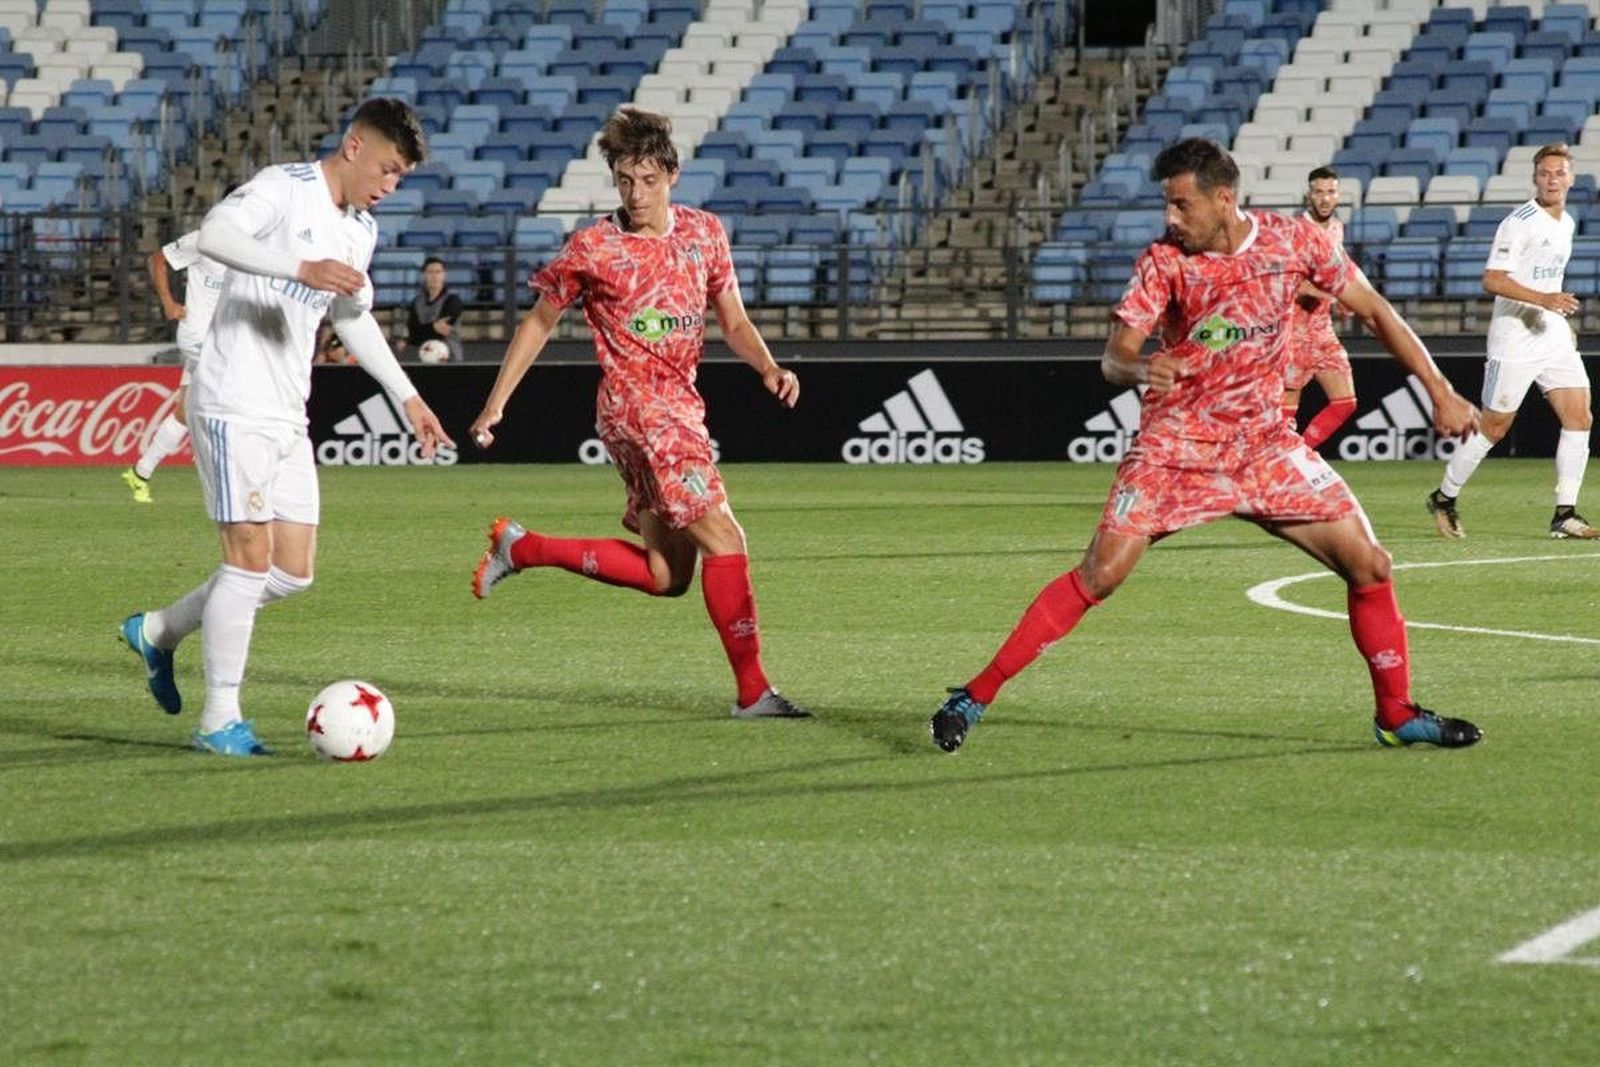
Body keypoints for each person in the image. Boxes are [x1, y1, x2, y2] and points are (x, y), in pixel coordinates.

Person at [929, 138, 1483, 755]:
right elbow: (1115, 357)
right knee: (1101, 574)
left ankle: (1397, 714)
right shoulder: (1163, 262)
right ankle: (971, 697)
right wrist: (1143, 370)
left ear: (1224, 199)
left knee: (1371, 566)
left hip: (1264, 443)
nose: (1171, 218)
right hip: (1177, 446)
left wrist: (1439, 388)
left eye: (1181, 205)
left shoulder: (1294, 243)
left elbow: (1376, 310)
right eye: (1167, 205)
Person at [118, 98, 452, 756]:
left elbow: (352, 315)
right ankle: (219, 719)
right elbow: (214, 234)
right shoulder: (283, 188)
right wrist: (300, 267)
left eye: (400, 178)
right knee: (246, 564)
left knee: (292, 571)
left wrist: (407, 394)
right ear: (354, 146)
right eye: (386, 169)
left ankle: (157, 629)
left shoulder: (359, 231)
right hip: (231, 400)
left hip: (285, 413)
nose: (389, 186)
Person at [467, 106, 809, 720]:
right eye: (625, 181)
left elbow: (732, 320)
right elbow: (540, 321)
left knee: (666, 575)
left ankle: (523, 548)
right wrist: (496, 403)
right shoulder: (594, 246)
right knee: (726, 539)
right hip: (641, 413)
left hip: (680, 409)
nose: (635, 194)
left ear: (672, 175)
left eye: (647, 180)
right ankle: (754, 693)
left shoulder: (704, 234)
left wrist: (769, 367)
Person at [1427, 142, 1597, 540]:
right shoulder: (1519, 221)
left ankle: (1565, 514)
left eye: (1559, 173)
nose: (1552, 179)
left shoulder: (1567, 222)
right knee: (1495, 427)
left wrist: (1556, 315)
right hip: (1514, 338)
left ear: (1571, 179)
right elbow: (1493, 279)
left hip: (1551, 334)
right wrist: (1545, 300)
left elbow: (1546, 279)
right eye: (1545, 173)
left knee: (1579, 417)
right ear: (1535, 179)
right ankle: (1445, 495)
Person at [121, 185, 238, 504]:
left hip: (220, 335)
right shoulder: (204, 239)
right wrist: (169, 304)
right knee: (232, 393)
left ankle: (140, 472)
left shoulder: (247, 248)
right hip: (199, 335)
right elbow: (157, 259)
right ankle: (217, 467)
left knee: (185, 410)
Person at [1282, 166, 1359, 451]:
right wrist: (1332, 294)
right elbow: (1290, 282)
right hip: (1294, 334)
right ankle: (1284, 468)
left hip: (1323, 333)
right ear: (1308, 195)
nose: (1325, 199)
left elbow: (1341, 269)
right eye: (1319, 192)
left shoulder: (1337, 228)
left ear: (1338, 195)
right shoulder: (1296, 231)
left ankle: (1302, 456)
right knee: (1285, 417)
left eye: (1331, 192)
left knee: (1345, 403)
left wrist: (1346, 299)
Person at [396, 255, 463, 362]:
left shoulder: (453, 301)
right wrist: (433, 327)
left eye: (438, 272)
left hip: (448, 358)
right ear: (424, 275)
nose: (434, 276)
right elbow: (412, 331)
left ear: (444, 275)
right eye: (430, 272)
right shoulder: (417, 302)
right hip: (423, 358)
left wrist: (415, 336)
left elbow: (441, 332)